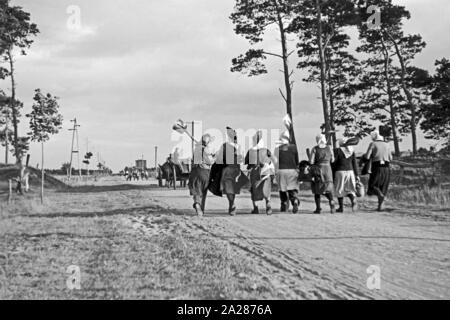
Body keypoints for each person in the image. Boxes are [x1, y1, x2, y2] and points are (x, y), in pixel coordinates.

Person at [215, 127, 245, 216]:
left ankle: (232, 204)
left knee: (228, 189)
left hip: (227, 169)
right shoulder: (238, 146)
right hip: (236, 169)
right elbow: (240, 159)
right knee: (233, 188)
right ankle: (231, 204)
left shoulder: (224, 146)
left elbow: (219, 159)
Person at [245, 130, 275, 215]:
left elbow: (247, 163)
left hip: (255, 172)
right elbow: (272, 160)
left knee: (254, 190)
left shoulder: (250, 151)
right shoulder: (266, 150)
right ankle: (268, 204)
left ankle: (256, 208)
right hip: (266, 172)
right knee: (267, 188)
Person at [364, 131, 393, 212]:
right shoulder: (387, 144)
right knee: (383, 187)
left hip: (377, 167)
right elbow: (391, 158)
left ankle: (380, 195)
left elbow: (367, 156)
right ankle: (380, 206)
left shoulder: (373, 144)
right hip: (386, 168)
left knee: (373, 185)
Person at [273, 131, 300, 214]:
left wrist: (275, 172)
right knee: (292, 189)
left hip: (281, 170)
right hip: (292, 170)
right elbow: (297, 160)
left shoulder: (277, 149)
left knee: (282, 189)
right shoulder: (294, 147)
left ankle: (284, 204)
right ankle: (294, 200)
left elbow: (275, 162)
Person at [188, 134, 215, 217]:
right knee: (203, 192)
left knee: (196, 191)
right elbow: (210, 162)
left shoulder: (196, 149)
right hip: (205, 172)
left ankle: (197, 203)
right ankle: (201, 209)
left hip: (195, 172)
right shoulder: (207, 150)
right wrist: (213, 157)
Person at [310, 134, 336, 214]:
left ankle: (318, 208)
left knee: (317, 189)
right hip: (328, 169)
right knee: (328, 188)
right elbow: (332, 160)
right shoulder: (329, 148)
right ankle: (331, 201)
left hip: (319, 169)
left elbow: (311, 161)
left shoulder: (315, 149)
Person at [333, 138, 359, 213]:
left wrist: (333, 172)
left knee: (339, 190)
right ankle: (353, 200)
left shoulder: (337, 150)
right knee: (350, 189)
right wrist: (357, 175)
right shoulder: (351, 150)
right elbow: (354, 163)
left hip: (340, 171)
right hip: (350, 172)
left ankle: (341, 208)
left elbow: (334, 163)